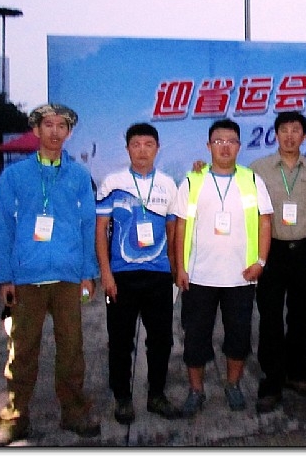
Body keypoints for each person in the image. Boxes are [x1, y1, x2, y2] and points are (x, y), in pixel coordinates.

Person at [0, 104, 100, 445]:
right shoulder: (14, 176)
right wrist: (5, 276)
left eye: (61, 126)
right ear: (36, 130)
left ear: (69, 132)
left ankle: (74, 411)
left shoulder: (79, 176)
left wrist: (88, 273)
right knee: (22, 350)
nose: (54, 131)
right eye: (47, 125)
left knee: (72, 349)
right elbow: (3, 227)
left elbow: (87, 225)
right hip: (27, 278)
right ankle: (16, 415)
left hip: (68, 278)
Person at [174, 118, 273, 417]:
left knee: (239, 337)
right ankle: (196, 390)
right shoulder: (193, 180)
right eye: (219, 141)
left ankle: (233, 385)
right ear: (209, 146)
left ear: (239, 146)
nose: (225, 147)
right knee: (195, 337)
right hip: (199, 276)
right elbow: (180, 226)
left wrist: (261, 262)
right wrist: (180, 268)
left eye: (231, 141)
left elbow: (265, 221)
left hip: (241, 276)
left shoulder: (252, 180)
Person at [95, 123, 181, 425]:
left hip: (159, 276)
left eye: (148, 144)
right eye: (136, 144)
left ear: (157, 148)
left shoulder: (168, 185)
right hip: (121, 276)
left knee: (161, 341)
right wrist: (106, 273)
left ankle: (156, 395)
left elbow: (173, 231)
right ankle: (122, 399)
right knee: (120, 341)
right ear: (127, 149)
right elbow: (100, 231)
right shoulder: (112, 183)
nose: (142, 150)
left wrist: (175, 270)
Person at [248, 112, 306, 413]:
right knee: (270, 318)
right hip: (271, 250)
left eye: (296, 130)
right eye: (284, 130)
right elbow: (230, 185)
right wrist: (201, 169)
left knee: (301, 315)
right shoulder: (259, 168)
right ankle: (271, 381)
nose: (290, 135)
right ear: (276, 134)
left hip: (305, 249)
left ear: (304, 136)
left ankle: (297, 373)